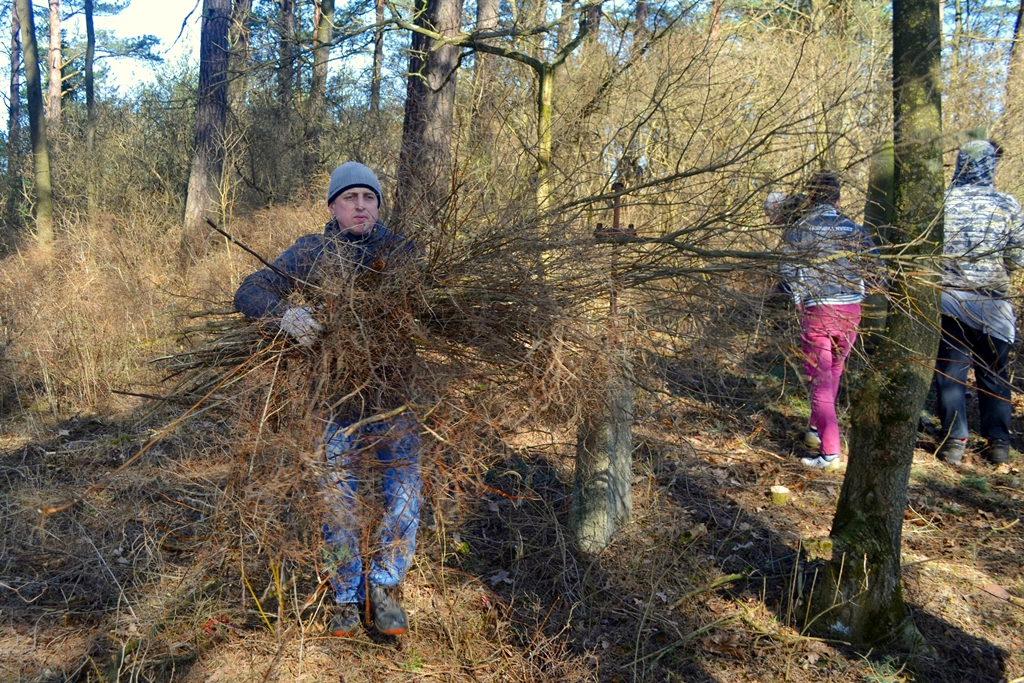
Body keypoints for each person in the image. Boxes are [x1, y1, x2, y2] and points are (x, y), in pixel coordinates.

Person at [234, 161, 423, 637]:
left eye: (369, 198)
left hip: (394, 398)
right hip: (337, 401)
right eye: (350, 198)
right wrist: (284, 315)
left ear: (378, 205)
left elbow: (435, 302)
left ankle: (383, 588)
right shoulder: (312, 252)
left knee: (403, 499)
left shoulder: (401, 251)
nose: (361, 206)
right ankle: (345, 593)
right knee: (337, 503)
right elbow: (250, 290)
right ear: (334, 206)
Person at [779, 173, 881, 470]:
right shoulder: (855, 229)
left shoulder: (799, 230)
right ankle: (814, 430)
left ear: (810, 199)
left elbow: (786, 272)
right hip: (851, 312)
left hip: (818, 313)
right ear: (838, 200)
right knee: (833, 374)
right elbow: (877, 272)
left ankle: (830, 451)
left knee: (821, 383)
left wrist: (798, 296)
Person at [933, 140, 1024, 466]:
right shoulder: (1007, 204)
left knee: (951, 372)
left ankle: (954, 442)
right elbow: (1018, 255)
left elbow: (928, 250)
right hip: (993, 304)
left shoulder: (942, 200)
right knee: (994, 374)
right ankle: (998, 442)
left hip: (950, 300)